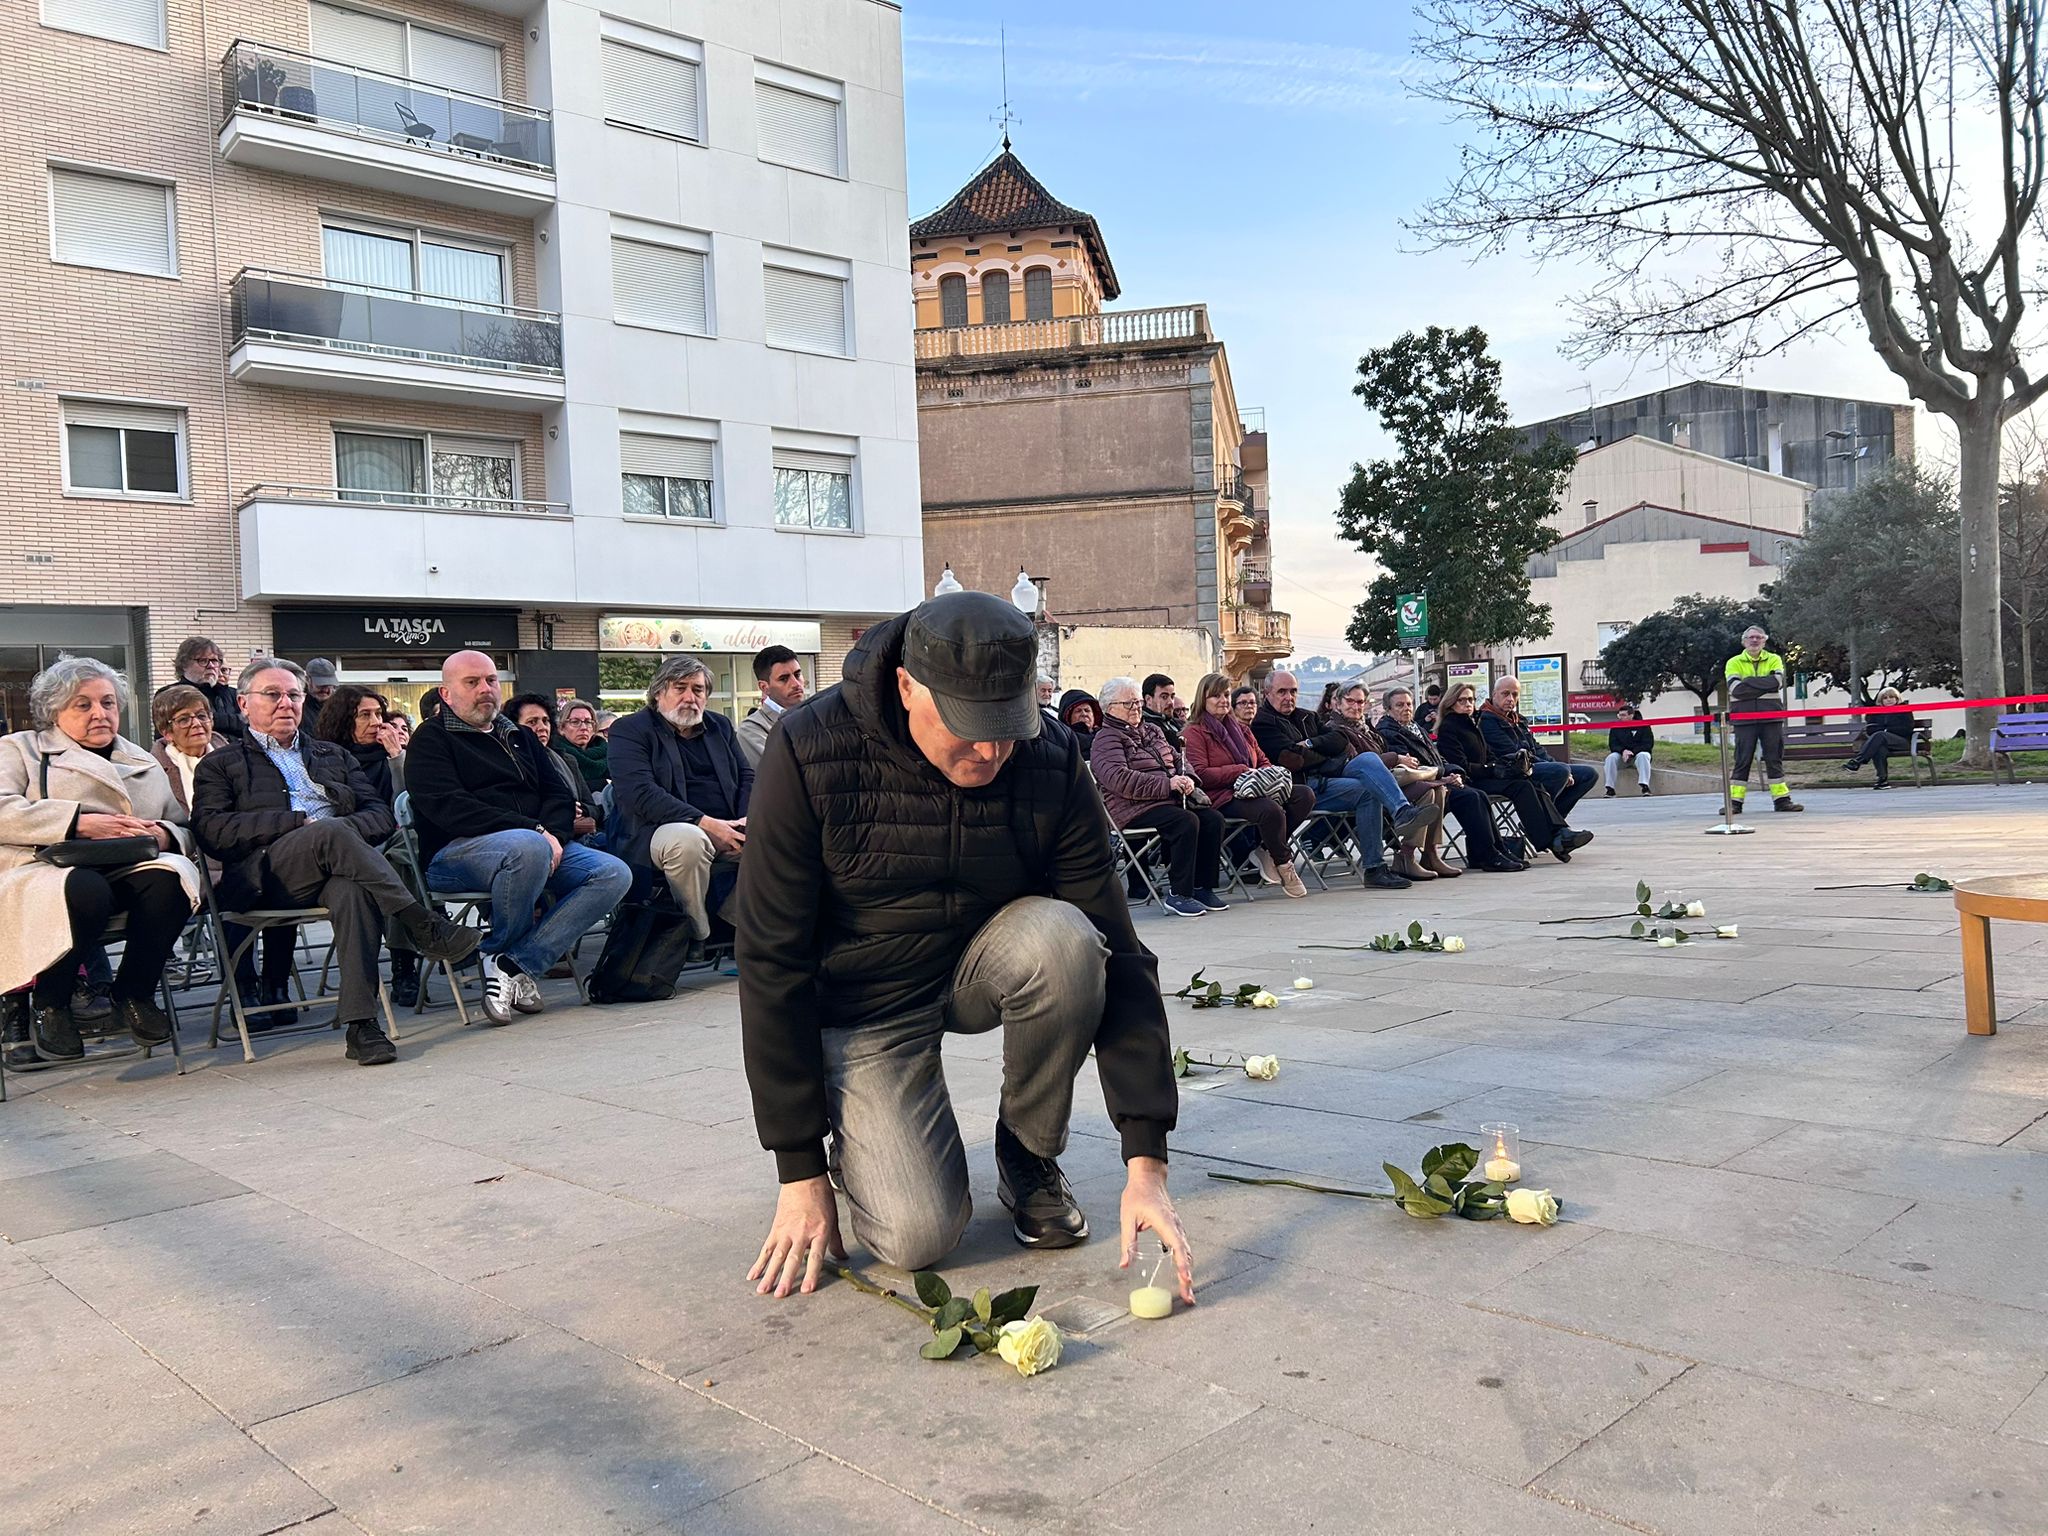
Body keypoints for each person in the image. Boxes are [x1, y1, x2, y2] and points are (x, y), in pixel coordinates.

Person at [735, 591, 1194, 1307]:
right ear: (906, 686)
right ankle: (860, 1137)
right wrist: (799, 1169)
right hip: (867, 997)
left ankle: (1027, 1152)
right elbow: (771, 958)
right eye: (969, 728)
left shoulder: (1049, 756)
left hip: (987, 960)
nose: (990, 752)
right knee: (917, 1238)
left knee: (1070, 941)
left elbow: (1122, 949)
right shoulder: (809, 748)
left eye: (1007, 729)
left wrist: (1147, 1163)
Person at [192, 660, 477, 1064]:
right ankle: (421, 922)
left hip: (334, 866)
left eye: (293, 695)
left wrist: (337, 831)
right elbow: (212, 831)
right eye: (272, 695)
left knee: (352, 890)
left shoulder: (332, 755)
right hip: (265, 875)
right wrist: (296, 824)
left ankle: (362, 1026)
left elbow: (380, 814)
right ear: (243, 704)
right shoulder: (221, 764)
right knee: (329, 831)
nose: (286, 703)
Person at [407, 651, 632, 1024]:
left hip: (535, 847)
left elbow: (558, 794)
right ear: (446, 694)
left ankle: (513, 963)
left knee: (613, 873)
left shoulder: (519, 735)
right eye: (472, 682)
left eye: (491, 680)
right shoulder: (430, 739)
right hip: (455, 854)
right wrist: (536, 831)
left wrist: (553, 835)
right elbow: (450, 807)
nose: (485, 689)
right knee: (526, 847)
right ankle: (507, 956)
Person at [1, 655, 200, 1062]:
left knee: (172, 880)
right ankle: (51, 1001)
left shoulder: (140, 759)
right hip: (43, 868)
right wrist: (77, 822)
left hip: (126, 863)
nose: (100, 713)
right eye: (83, 704)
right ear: (54, 711)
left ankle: (133, 993)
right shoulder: (21, 749)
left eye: (108, 703)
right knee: (85, 889)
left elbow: (182, 825)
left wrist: (165, 834)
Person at [154, 683, 298, 1018]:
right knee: (237, 889)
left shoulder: (237, 753)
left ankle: (276, 985)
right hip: (192, 864)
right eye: (184, 719)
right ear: (166, 731)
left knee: (281, 883)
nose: (197, 724)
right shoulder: (153, 768)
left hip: (245, 852)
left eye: (202, 716)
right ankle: (243, 990)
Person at [608, 657, 754, 953]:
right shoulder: (630, 729)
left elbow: (746, 775)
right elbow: (640, 793)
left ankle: (733, 922)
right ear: (658, 692)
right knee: (689, 842)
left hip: (727, 824)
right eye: (680, 688)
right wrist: (707, 824)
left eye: (698, 689)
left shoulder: (719, 726)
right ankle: (696, 936)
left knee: (787, 842)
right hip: (657, 829)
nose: (690, 697)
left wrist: (746, 819)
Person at [1251, 670, 1423, 890]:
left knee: (1368, 759)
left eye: (1293, 691)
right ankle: (1375, 867)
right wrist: (1325, 753)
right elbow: (1292, 759)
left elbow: (1340, 740)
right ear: (1267, 693)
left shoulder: (1307, 716)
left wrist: (1311, 744)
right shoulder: (1263, 723)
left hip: (1328, 778)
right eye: (1282, 692)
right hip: (1300, 788)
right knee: (1367, 791)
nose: (1289, 697)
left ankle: (1402, 812)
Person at [1092, 676, 1231, 916]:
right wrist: (1168, 784)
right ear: (1110, 708)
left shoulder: (1152, 730)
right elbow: (1119, 779)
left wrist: (1188, 777)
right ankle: (1179, 894)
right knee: (1185, 821)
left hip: (1167, 799)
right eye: (1129, 703)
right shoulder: (1106, 739)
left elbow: (1179, 758)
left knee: (1213, 819)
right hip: (1132, 807)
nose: (1136, 708)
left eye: (1138, 702)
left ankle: (1202, 887)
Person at [1183, 672, 1312, 897]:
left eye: (1226, 695)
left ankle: (1265, 850)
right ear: (1203, 699)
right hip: (1221, 795)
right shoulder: (1194, 732)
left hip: (1253, 787)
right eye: (1216, 696)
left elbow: (1261, 760)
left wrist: (1265, 775)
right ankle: (1284, 863)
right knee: (1270, 810)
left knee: (1304, 795)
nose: (1223, 700)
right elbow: (1200, 774)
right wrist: (1240, 771)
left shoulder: (1240, 729)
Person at [1377, 687, 1526, 872]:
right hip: (1417, 787)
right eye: (1400, 705)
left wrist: (1454, 772)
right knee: (1470, 797)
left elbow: (1437, 758)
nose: (1406, 708)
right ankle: (1487, 856)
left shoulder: (1415, 727)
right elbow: (1412, 766)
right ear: (1388, 709)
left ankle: (1498, 850)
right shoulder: (1388, 731)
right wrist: (1444, 775)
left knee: (1479, 795)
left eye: (1409, 704)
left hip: (1437, 779)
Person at [1435, 682, 1590, 861]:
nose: (1468, 704)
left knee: (1528, 781)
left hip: (1486, 775)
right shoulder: (1450, 727)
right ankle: (1550, 839)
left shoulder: (1472, 723)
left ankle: (1557, 834)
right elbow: (1461, 765)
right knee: (1523, 786)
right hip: (1470, 780)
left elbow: (1489, 754)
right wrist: (1493, 769)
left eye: (1471, 699)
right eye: (1462, 700)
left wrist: (1502, 765)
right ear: (1451, 703)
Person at [1321, 682, 1453, 881]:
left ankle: (1425, 853)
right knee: (1428, 789)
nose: (1356, 706)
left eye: (1360, 702)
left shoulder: (1367, 729)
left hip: (1384, 783)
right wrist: (1395, 758)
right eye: (1350, 701)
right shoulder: (1333, 729)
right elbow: (1360, 763)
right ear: (1337, 703)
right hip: (1353, 786)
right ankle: (1404, 838)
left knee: (1436, 791)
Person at [1481, 678, 1599, 821]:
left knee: (1588, 774)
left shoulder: (1518, 720)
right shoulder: (1486, 720)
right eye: (1505, 694)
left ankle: (1552, 821)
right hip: (1510, 770)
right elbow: (1514, 753)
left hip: (1530, 766)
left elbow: (1537, 748)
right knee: (1559, 771)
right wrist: (1556, 768)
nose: (1510, 699)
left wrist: (1554, 764)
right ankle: (1542, 823)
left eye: (1515, 694)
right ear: (1494, 695)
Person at [1725, 625, 1804, 813]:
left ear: (1764, 641)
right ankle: (1734, 803)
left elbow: (1777, 682)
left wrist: (1748, 682)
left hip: (1771, 717)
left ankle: (1782, 801)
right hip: (1744, 718)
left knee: (1774, 758)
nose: (1755, 640)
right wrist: (1763, 685)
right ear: (1744, 641)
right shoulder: (1733, 662)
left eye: (1759, 637)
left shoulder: (1774, 659)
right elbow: (1736, 689)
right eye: (1751, 637)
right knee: (1742, 759)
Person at [506, 693, 602, 844]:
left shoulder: (566, 760)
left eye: (546, 721)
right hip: (539, 839)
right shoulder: (510, 763)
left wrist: (581, 809)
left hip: (580, 837)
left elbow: (594, 808)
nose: (542, 728)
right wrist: (562, 812)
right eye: (532, 722)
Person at [313, 686, 405, 806]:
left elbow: (406, 803)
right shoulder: (327, 759)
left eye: (378, 714)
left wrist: (397, 756)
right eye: (365, 715)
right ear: (344, 721)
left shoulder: (392, 756)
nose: (376, 722)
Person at [154, 636, 244, 739]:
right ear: (184, 665)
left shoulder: (233, 694)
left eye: (215, 660)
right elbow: (166, 733)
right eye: (203, 660)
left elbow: (250, 725)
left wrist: (214, 720)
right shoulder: (169, 694)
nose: (211, 666)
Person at [737, 646, 807, 771]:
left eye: (797, 675)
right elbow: (780, 773)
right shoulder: (752, 729)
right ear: (764, 687)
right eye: (784, 679)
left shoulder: (818, 715)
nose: (796, 684)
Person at [1843, 687, 1924, 789]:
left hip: (1902, 741)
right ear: (1881, 701)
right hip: (1881, 741)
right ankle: (1882, 780)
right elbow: (1870, 729)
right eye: (1885, 698)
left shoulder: (1904, 710)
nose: (1889, 700)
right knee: (1879, 748)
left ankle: (1858, 761)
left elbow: (1907, 729)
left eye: (1891, 697)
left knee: (1880, 735)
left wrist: (1886, 730)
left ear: (1897, 699)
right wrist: (1884, 730)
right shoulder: (1876, 712)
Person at [554, 699, 607, 794]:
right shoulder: (556, 757)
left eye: (588, 722)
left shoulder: (608, 753)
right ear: (561, 728)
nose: (583, 728)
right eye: (575, 722)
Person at [1604, 706, 1655, 796]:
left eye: (1623, 715)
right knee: (1610, 758)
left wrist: (1633, 752)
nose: (1621, 717)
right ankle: (1610, 788)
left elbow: (1648, 744)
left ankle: (1645, 786)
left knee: (1644, 755)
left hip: (1638, 757)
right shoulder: (1615, 727)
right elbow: (1613, 744)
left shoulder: (1644, 726)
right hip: (1622, 756)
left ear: (1631, 715)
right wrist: (1623, 751)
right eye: (1619, 715)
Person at [1141, 674, 1184, 753]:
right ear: (1148, 699)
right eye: (1164, 697)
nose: (1170, 702)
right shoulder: (1145, 727)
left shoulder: (1179, 723)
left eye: (1172, 697)